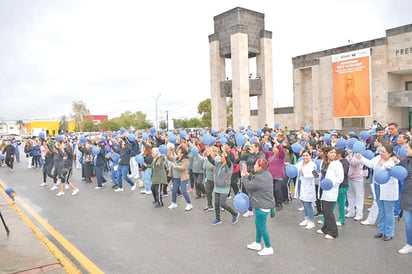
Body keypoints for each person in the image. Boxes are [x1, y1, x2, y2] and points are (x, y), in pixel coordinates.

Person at [358, 143, 399, 241]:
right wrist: (361, 158)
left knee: (388, 211)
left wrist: (396, 162)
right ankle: (381, 230)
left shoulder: (393, 161)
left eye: (384, 152)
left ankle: (389, 232)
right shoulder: (377, 159)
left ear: (390, 153)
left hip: (388, 189)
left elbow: (398, 170)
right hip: (377, 186)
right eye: (381, 151)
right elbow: (370, 164)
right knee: (381, 209)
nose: (381, 153)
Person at [242, 158, 276, 256]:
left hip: (262, 204)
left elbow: (249, 187)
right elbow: (256, 181)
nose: (254, 166)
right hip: (263, 203)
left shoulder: (260, 177)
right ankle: (257, 243)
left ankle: (268, 247)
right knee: (258, 224)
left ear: (260, 166)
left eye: (256, 164)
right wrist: (250, 175)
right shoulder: (265, 174)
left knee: (262, 227)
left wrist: (244, 177)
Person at [206, 144, 239, 225]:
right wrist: (208, 155)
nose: (220, 158)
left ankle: (234, 213)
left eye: (222, 157)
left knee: (222, 203)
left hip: (225, 186)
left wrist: (226, 156)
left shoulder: (229, 166)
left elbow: (228, 163)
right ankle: (218, 218)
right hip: (217, 186)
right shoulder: (219, 163)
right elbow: (212, 161)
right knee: (216, 203)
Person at [317, 146, 344, 239]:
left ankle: (333, 232)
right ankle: (325, 228)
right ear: (326, 154)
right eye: (330, 152)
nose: (333, 154)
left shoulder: (337, 164)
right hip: (323, 188)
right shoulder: (324, 163)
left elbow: (341, 178)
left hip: (331, 189)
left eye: (334, 152)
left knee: (328, 211)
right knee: (325, 210)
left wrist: (331, 183)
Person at [395, 142, 412, 254]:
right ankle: (409, 244)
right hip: (408, 195)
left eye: (408, 148)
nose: (406, 150)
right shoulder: (406, 160)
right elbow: (396, 169)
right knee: (408, 223)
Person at [295, 150, 317, 229]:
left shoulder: (313, 165)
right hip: (302, 185)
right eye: (303, 155)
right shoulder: (301, 163)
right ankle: (306, 218)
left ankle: (311, 221)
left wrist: (304, 174)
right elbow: (295, 167)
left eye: (307, 155)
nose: (305, 157)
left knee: (308, 204)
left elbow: (315, 175)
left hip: (309, 186)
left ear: (310, 156)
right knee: (304, 203)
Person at [167, 146, 193, 211]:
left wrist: (175, 166)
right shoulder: (176, 158)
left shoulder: (186, 160)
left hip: (183, 178)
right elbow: (170, 158)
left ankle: (189, 204)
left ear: (182, 154)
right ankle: (173, 203)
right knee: (174, 190)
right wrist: (168, 154)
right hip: (175, 177)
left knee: (184, 191)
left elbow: (183, 168)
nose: (177, 153)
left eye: (179, 152)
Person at [263, 141, 285, 210]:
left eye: (275, 147)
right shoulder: (271, 154)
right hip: (271, 175)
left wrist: (278, 144)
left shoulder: (280, 155)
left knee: (277, 190)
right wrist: (259, 144)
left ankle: (279, 203)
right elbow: (264, 151)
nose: (274, 149)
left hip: (278, 175)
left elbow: (282, 151)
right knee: (272, 190)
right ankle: (275, 203)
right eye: (273, 147)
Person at [345, 147, 365, 221]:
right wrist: (350, 155)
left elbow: (353, 163)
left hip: (357, 178)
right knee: (350, 195)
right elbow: (347, 160)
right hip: (350, 177)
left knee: (359, 196)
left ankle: (359, 214)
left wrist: (350, 156)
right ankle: (351, 211)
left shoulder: (360, 156)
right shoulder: (352, 155)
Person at [335, 148, 349, 226]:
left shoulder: (344, 162)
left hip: (342, 185)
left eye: (335, 153)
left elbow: (344, 173)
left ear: (339, 154)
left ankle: (341, 219)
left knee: (341, 203)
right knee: (332, 203)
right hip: (336, 185)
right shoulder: (336, 162)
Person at [203, 146, 217, 212]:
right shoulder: (207, 159)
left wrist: (215, 167)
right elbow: (204, 167)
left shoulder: (216, 159)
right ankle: (210, 205)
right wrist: (205, 177)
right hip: (208, 178)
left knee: (218, 194)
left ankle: (222, 207)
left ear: (214, 152)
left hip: (215, 179)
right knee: (208, 192)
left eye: (211, 151)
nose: (209, 152)